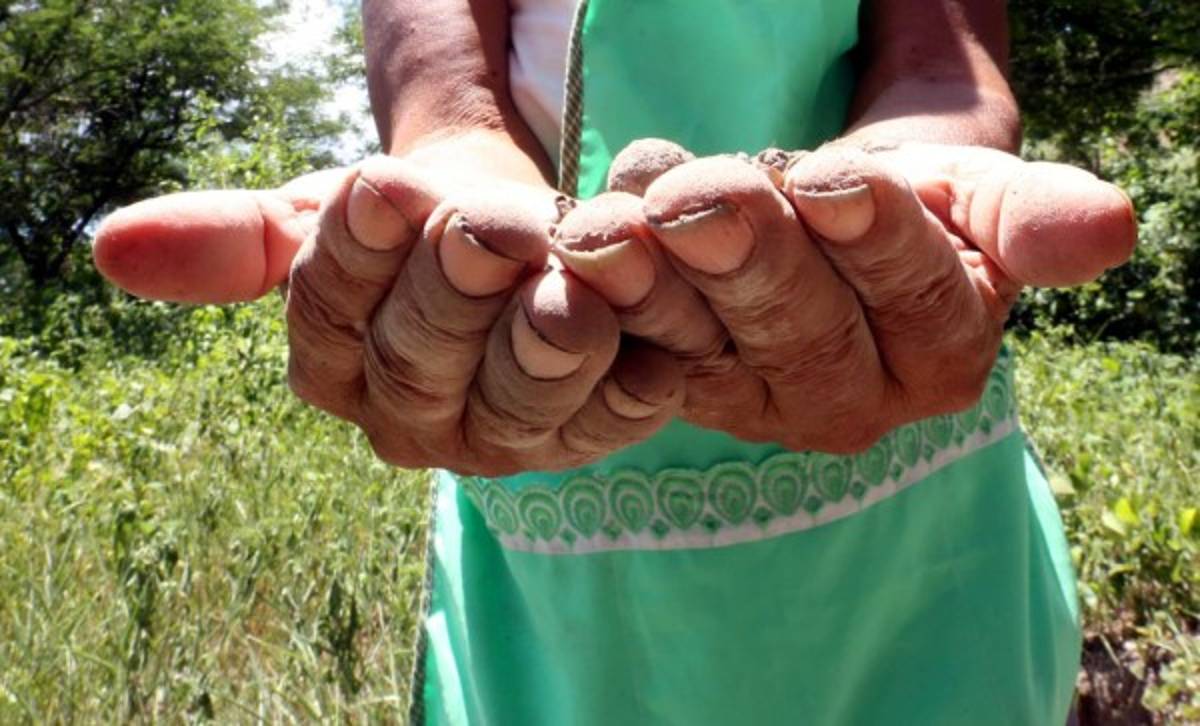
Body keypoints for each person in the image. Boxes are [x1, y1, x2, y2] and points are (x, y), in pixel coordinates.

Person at [94, 0, 1137, 723]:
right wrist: (447, 171)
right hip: (554, 487)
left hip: (913, 496)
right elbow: (441, 95)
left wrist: (900, 179)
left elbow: (943, 67)